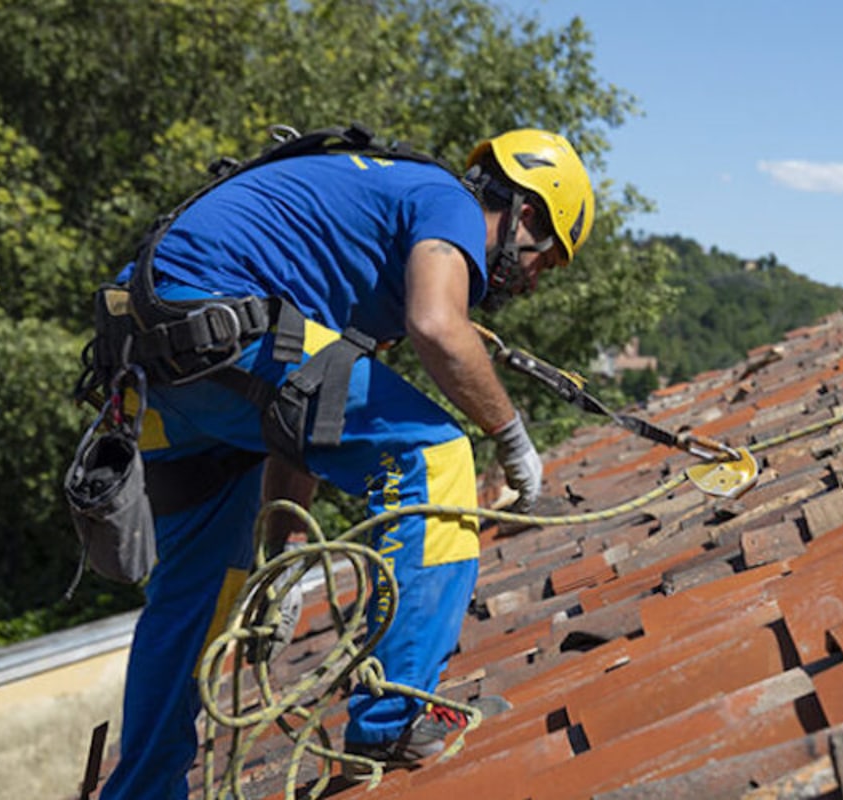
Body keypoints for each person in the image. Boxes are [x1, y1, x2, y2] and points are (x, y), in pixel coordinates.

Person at [95, 128, 593, 798]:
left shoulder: (367, 231)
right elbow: (440, 327)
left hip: (152, 360)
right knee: (436, 454)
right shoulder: (445, 201)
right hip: (224, 323)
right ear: (525, 216)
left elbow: (303, 401)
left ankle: (143, 791)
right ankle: (393, 715)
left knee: (196, 592)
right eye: (547, 260)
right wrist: (511, 436)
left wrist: (286, 549)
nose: (535, 280)